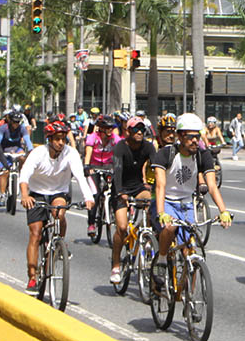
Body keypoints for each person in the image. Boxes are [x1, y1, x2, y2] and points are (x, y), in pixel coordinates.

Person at [152, 114, 233, 289]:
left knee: (191, 249)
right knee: (170, 227)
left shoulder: (203, 156)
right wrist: (161, 213)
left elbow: (212, 186)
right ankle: (162, 259)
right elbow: (160, 186)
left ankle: (189, 297)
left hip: (187, 203)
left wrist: (223, 211)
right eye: (190, 137)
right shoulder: (165, 154)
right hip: (167, 200)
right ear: (180, 136)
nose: (195, 141)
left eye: (197, 136)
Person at [19, 121, 96, 293]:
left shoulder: (71, 153)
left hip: (59, 192)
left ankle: (60, 242)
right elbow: (24, 175)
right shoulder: (39, 153)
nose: (61, 143)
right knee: (36, 233)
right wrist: (25, 195)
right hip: (37, 192)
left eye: (63, 139)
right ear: (49, 139)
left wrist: (88, 197)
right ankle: (32, 276)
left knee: (59, 212)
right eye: (57, 139)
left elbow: (80, 177)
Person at [108, 117, 157, 285]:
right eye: (135, 129)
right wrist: (121, 193)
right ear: (128, 131)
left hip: (138, 187)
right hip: (121, 189)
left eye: (142, 130)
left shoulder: (148, 147)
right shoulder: (120, 147)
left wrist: (158, 188)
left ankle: (144, 237)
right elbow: (117, 171)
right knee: (121, 227)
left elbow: (157, 167)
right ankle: (115, 265)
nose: (139, 133)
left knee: (152, 206)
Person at [82, 115, 121, 236]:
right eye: (107, 128)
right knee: (96, 194)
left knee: (117, 191)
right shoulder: (93, 138)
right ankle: (91, 223)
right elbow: (88, 153)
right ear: (101, 128)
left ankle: (116, 214)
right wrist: (87, 166)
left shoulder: (115, 139)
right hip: (94, 167)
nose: (110, 130)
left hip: (108, 166)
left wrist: (120, 166)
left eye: (111, 128)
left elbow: (121, 152)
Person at [0, 110, 34, 207]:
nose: (16, 124)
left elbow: (27, 140)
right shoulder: (3, 128)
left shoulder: (22, 129)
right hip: (5, 151)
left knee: (22, 157)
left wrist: (31, 150)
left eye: (18, 122)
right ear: (10, 121)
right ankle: (3, 194)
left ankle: (22, 175)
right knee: (4, 172)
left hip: (17, 149)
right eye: (14, 121)